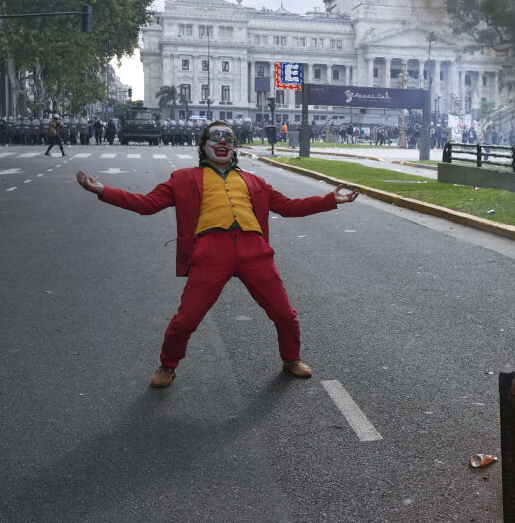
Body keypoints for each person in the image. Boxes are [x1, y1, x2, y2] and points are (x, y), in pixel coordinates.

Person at [75, 121, 360, 388]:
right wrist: (103, 191)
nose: (222, 141)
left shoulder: (254, 181)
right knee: (186, 319)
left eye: (228, 138)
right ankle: (167, 364)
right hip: (210, 251)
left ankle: (291, 358)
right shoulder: (183, 178)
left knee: (284, 314)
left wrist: (328, 201)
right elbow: (147, 203)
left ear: (235, 146)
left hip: (255, 250)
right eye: (216, 137)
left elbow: (287, 206)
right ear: (203, 146)